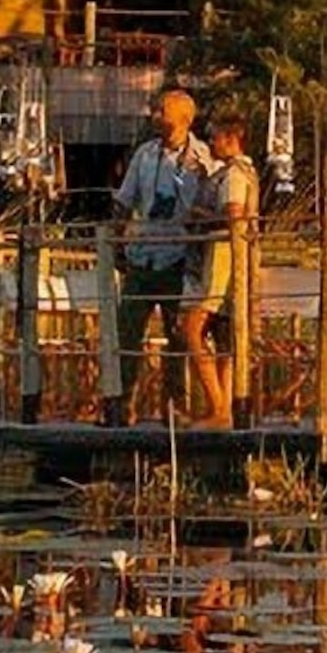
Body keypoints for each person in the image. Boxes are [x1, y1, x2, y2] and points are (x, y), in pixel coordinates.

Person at [112, 84, 215, 421]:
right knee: (127, 332)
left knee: (177, 336)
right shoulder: (145, 153)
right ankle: (121, 403)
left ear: (184, 119)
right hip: (142, 256)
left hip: (178, 259)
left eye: (163, 112)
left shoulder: (201, 158)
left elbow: (211, 207)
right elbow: (124, 200)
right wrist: (117, 241)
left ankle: (174, 407)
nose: (156, 117)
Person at [177, 106, 260, 427]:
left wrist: (200, 216)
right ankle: (222, 407)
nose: (211, 143)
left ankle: (218, 405)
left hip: (223, 258)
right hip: (227, 259)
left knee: (192, 329)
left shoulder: (234, 176)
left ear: (230, 139)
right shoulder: (239, 172)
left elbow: (234, 217)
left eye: (214, 138)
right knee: (224, 336)